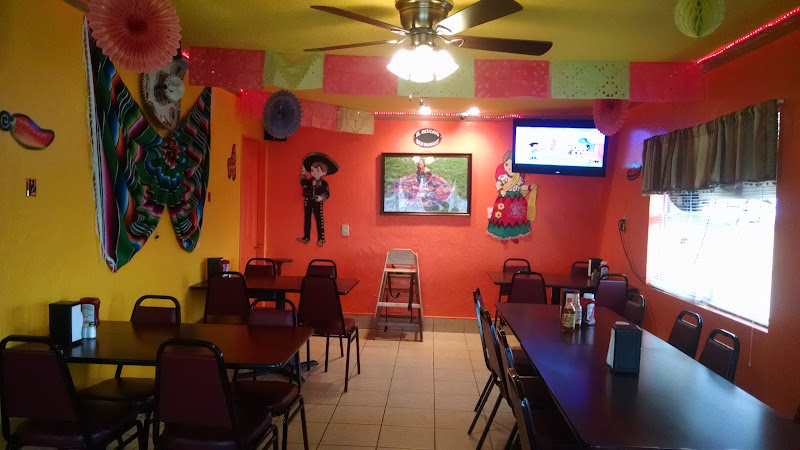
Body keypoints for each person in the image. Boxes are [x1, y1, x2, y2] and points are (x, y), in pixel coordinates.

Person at [487, 151, 538, 242]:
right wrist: (501, 190)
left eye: (512, 165)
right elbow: (498, 184)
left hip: (517, 200)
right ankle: (502, 235)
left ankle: (514, 234)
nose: (509, 167)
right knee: (503, 217)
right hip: (505, 199)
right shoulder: (503, 177)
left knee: (515, 217)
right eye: (507, 164)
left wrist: (530, 187)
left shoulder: (519, 179)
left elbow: (521, 187)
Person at [297, 152, 339, 247]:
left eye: (317, 171)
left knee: (319, 220)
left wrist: (321, 198)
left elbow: (327, 194)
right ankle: (306, 237)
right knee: (307, 219)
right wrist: (303, 172)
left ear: (324, 173)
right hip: (308, 201)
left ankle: (321, 238)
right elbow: (302, 181)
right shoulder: (309, 182)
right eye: (312, 170)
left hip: (317, 202)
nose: (314, 173)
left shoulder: (324, 184)